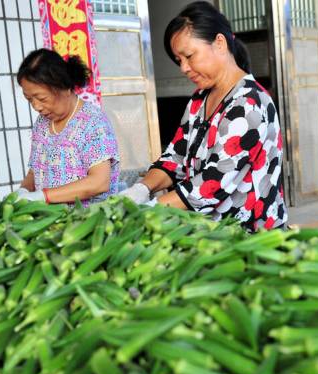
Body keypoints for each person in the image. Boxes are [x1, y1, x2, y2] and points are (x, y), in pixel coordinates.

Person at [118, 1, 287, 232]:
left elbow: (212, 183)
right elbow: (175, 157)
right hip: (209, 234)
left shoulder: (249, 104)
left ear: (219, 43)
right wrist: (141, 189)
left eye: (189, 56)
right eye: (179, 61)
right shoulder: (200, 99)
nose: (184, 68)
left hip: (251, 238)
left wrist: (147, 209)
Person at [15, 49, 119, 206]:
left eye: (42, 98)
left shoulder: (93, 122)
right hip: (51, 222)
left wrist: (44, 196)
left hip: (87, 221)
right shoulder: (42, 123)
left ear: (66, 87)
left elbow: (99, 182)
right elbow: (35, 170)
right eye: (30, 99)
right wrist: (23, 190)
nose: (36, 106)